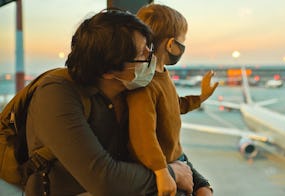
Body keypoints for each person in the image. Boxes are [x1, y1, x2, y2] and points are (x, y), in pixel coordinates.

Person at [25, 8, 195, 196]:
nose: (151, 56)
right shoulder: (56, 94)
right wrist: (172, 174)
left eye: (150, 47)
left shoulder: (130, 88)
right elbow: (104, 179)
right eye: (142, 53)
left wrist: (200, 182)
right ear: (108, 70)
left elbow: (166, 144)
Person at [126, 4, 218, 196]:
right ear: (171, 44)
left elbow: (175, 106)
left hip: (177, 159)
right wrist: (162, 171)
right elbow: (143, 137)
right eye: (183, 40)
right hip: (161, 168)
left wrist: (201, 97)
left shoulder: (162, 74)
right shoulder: (145, 85)